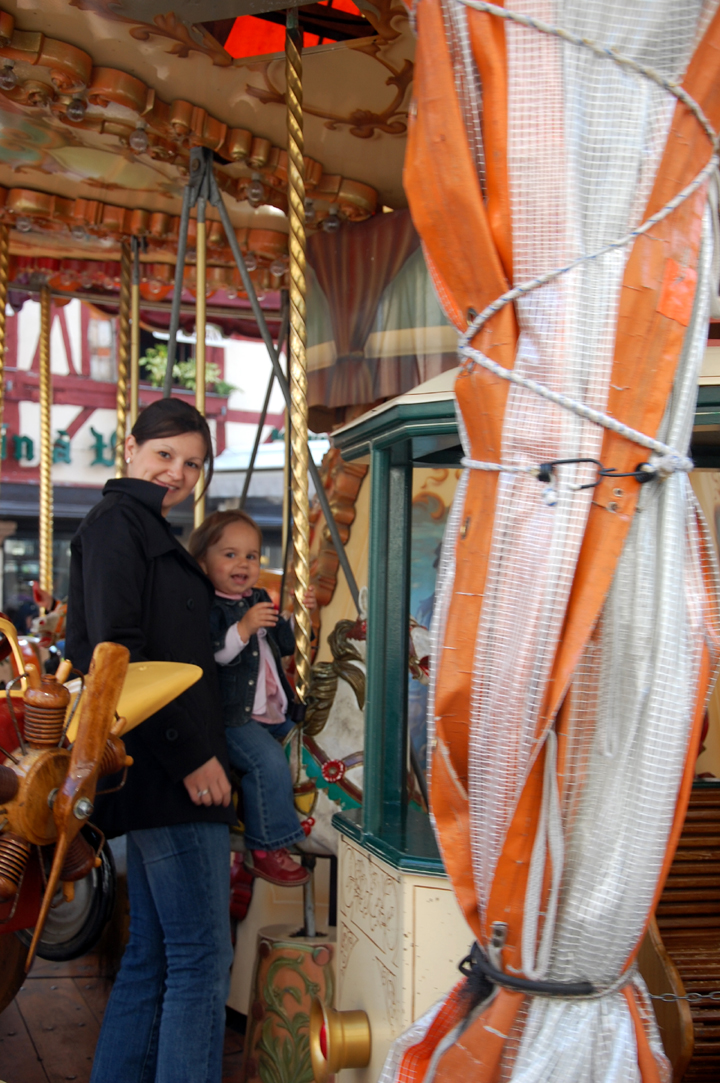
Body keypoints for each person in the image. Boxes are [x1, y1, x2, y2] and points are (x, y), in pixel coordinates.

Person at [65, 398, 235, 1083]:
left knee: (155, 955)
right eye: (165, 454)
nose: (178, 473)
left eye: (192, 463)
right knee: (201, 958)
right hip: (169, 769)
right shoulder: (119, 525)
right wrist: (192, 756)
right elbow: (119, 660)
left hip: (158, 765)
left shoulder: (140, 526)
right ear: (130, 448)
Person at [189, 509, 314, 887]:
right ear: (202, 562)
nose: (242, 563)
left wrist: (296, 615)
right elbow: (213, 656)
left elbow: (284, 646)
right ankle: (265, 848)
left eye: (251, 555)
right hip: (233, 717)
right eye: (230, 554)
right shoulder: (207, 606)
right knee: (268, 761)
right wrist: (242, 628)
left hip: (271, 710)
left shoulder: (257, 598)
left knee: (312, 751)